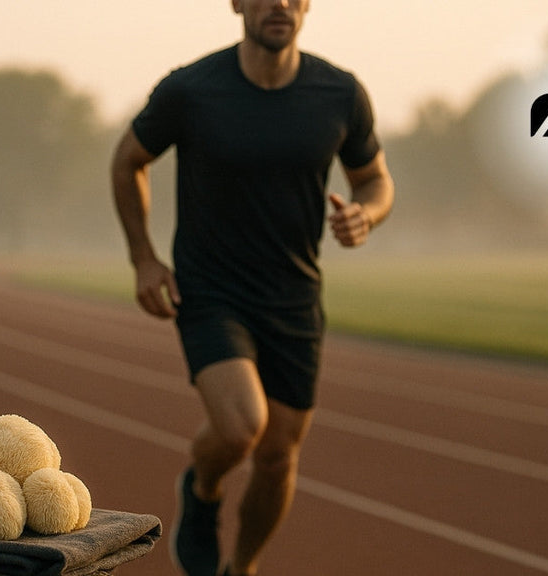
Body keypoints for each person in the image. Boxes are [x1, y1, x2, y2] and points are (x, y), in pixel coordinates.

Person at [110, 1, 394, 575]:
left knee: (277, 457)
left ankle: (242, 567)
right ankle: (204, 486)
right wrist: (144, 258)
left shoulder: (340, 93)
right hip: (211, 291)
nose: (280, 4)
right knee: (243, 427)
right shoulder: (190, 90)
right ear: (238, 3)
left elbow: (374, 178)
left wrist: (366, 214)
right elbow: (128, 161)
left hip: (293, 297)